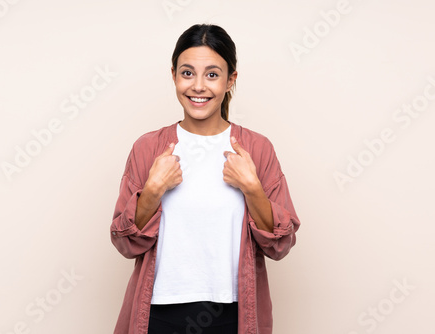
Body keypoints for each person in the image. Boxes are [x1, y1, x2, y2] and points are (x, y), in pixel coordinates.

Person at [110, 23, 301, 334]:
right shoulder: (148, 148)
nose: (198, 86)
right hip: (159, 313)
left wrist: (252, 189)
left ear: (230, 80)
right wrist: (153, 191)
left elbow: (280, 244)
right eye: (187, 73)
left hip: (232, 315)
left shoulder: (256, 149)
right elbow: (124, 242)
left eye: (212, 74)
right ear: (173, 75)